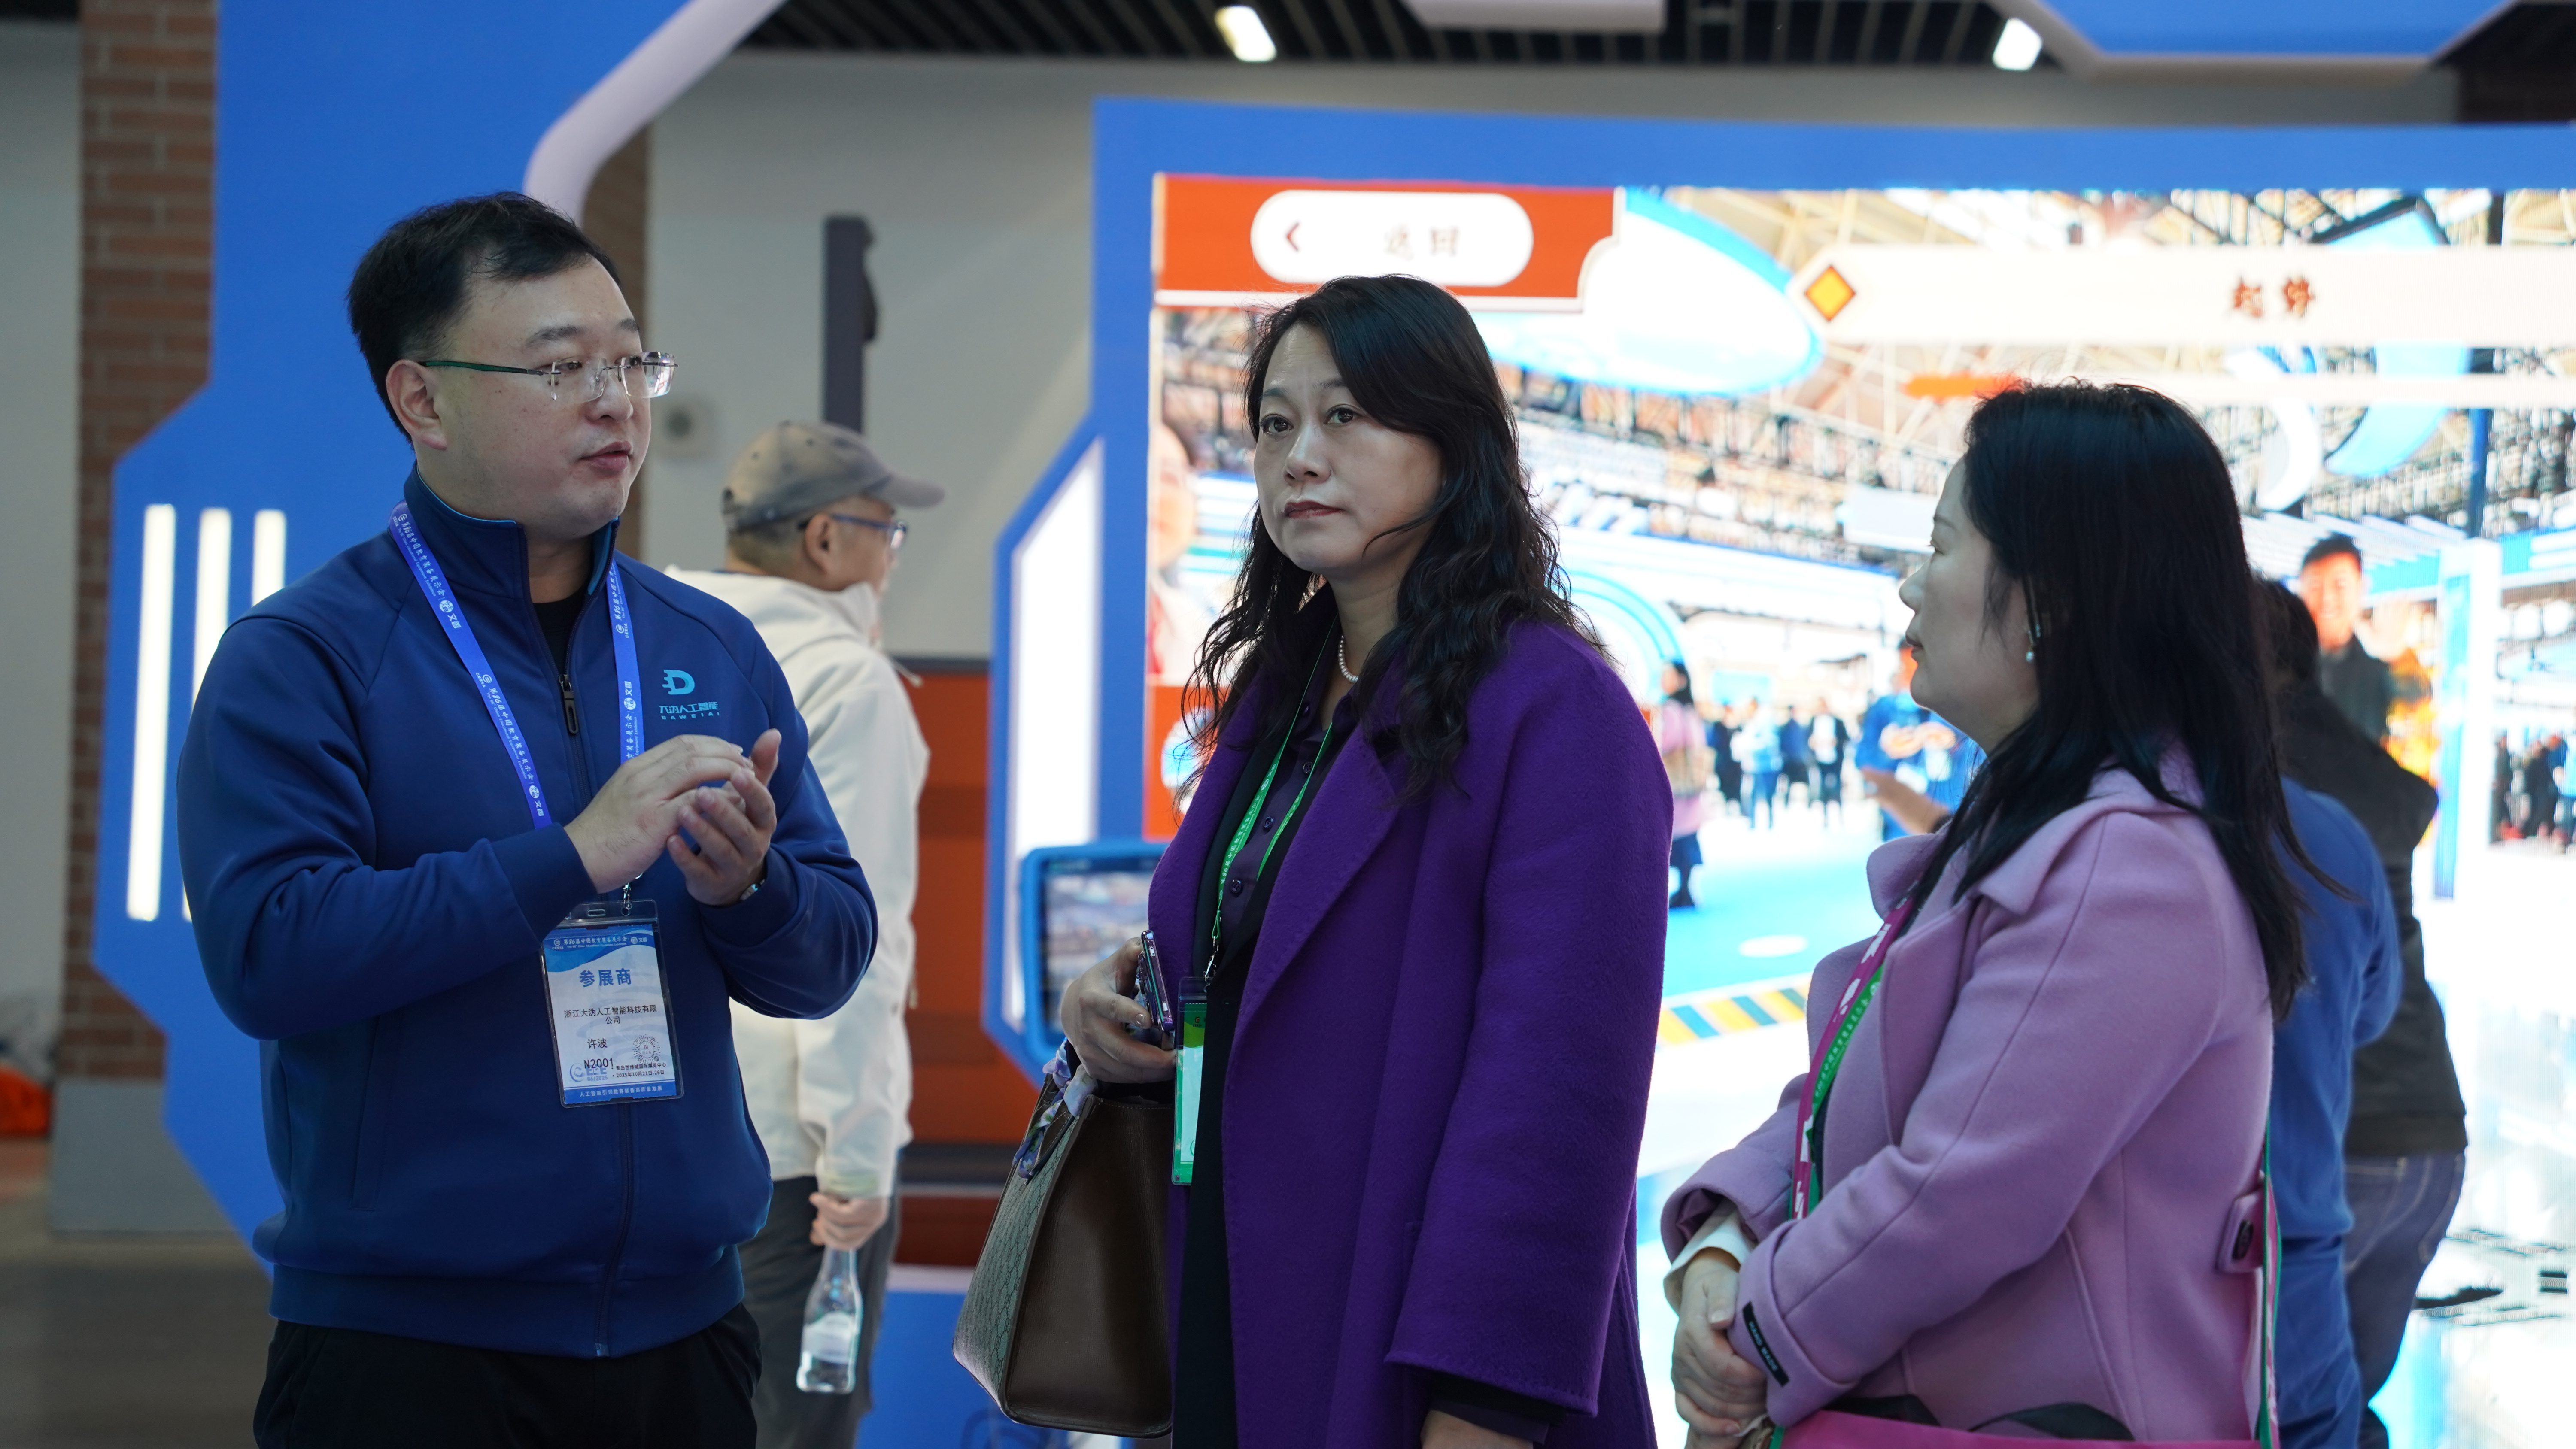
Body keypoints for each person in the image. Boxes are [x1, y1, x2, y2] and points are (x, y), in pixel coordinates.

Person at [176, 194, 878, 1448]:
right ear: (423, 400)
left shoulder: (708, 646)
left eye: (631, 364)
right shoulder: (306, 656)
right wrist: (569, 859)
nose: (615, 404)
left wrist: (751, 890)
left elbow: (827, 957)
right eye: (561, 370)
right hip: (407, 1352)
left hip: (683, 1337)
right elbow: (270, 952)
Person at [1057, 275, 1668, 1448]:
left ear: (1452, 441)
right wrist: (1123, 999)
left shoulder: (1555, 709)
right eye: (1274, 423)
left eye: (1345, 416)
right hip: (1234, 1292)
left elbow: (1556, 1103)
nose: (1300, 457)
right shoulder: (1283, 692)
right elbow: (1272, 945)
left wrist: (1483, 1405)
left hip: (1414, 1345)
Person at [1663, 383, 2308, 1443]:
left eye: (1941, 545)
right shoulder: (2033, 821)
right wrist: (1728, 1236)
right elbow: (1850, 1092)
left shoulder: (2128, 867)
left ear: (2048, 599)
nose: (1911, 585)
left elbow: (1960, 1191)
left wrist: (1757, 1334)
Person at [668, 419, 941, 1449]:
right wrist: (857, 1155)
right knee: (797, 1423)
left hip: (662, 1120)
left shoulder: (654, 651)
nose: (893, 556)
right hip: (793, 1153)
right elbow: (850, 941)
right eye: (887, 531)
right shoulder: (845, 678)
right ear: (827, 540)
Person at [2262, 581, 2460, 1449]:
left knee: (2288, 1411)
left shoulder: (2254, 785)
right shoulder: (2366, 780)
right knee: (2341, 1414)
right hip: (2434, 1133)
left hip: (2340, 1150)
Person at [1853, 651, 1983, 840]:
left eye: (1921, 664)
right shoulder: (1885, 709)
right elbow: (1863, 761)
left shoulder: (1962, 710)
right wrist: (1887, 752)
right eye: (1907, 666)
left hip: (1951, 828)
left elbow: (1987, 761)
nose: (1914, 674)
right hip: (1901, 829)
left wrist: (1956, 744)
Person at [2298, 535, 2395, 743]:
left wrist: (2396, 660)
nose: (2327, 599)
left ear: (2362, 588)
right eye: (2315, 586)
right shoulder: (2279, 662)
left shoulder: (2381, 667)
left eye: (2340, 585)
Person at [1660, 661, 1710, 909]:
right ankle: (1687, 890)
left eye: (1667, 675)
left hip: (1675, 784)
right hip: (1692, 783)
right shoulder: (1691, 710)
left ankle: (1682, 893)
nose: (1663, 680)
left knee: (1676, 837)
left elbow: (1666, 741)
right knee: (1689, 835)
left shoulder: (1670, 709)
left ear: (1681, 680)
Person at [1740, 706, 1782, 830]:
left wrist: (1750, 746)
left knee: (1768, 795)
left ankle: (1769, 822)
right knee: (1753, 795)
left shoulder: (1765, 722)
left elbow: (1770, 743)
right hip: (1754, 766)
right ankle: (1753, 821)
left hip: (1767, 766)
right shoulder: (1752, 723)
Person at [1807, 703, 1850, 826]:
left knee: (1837, 787)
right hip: (1820, 759)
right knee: (1823, 788)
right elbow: (1807, 739)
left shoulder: (1837, 722)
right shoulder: (1814, 721)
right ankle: (1825, 816)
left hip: (1835, 759)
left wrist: (1836, 742)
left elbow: (1845, 738)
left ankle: (1840, 814)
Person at [1707, 701, 1744, 818]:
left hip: (1735, 764)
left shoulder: (1738, 727)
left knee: (1736, 786)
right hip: (1723, 763)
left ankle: (1736, 805)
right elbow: (1713, 744)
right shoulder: (1717, 727)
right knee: (1724, 787)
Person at [1776, 701, 1814, 810]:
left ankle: (1808, 804)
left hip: (1800, 760)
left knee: (1806, 784)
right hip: (1790, 761)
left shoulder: (1802, 727)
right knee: (1788, 784)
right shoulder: (1784, 728)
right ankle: (1786, 805)